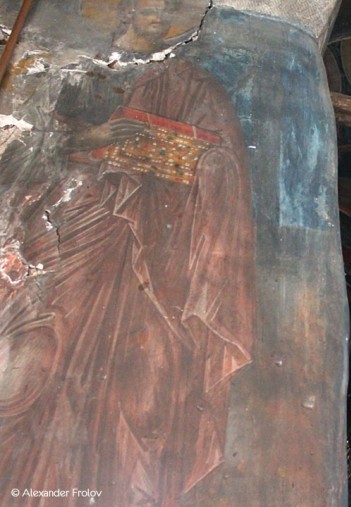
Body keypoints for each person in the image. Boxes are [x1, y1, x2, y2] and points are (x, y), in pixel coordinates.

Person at [0, 0, 256, 504]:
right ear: (125, 9)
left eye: (168, 9)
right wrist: (90, 138)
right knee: (31, 366)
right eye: (147, 6)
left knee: (146, 385)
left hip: (151, 249)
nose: (157, 17)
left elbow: (226, 161)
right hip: (67, 228)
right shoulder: (76, 70)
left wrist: (201, 161)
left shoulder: (192, 84)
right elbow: (18, 142)